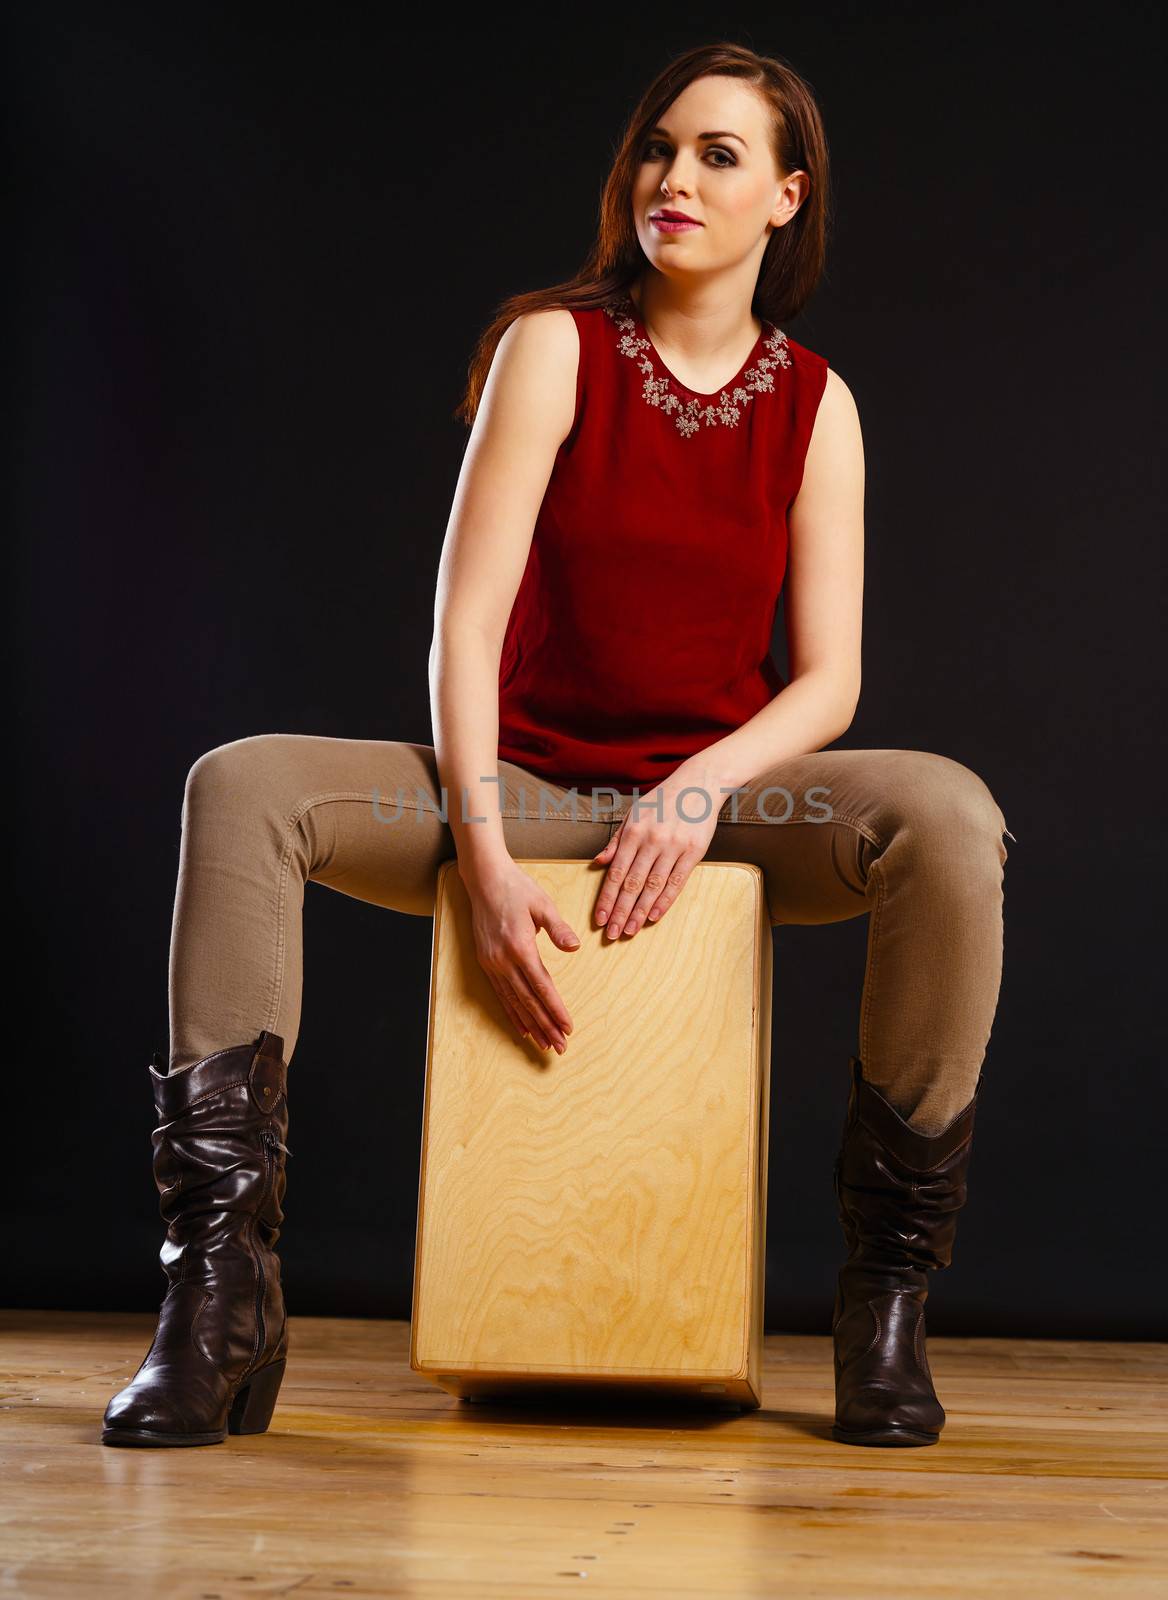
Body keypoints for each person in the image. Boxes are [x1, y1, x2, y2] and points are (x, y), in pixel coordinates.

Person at [101, 40, 1014, 1452]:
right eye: (658, 147)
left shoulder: (813, 401)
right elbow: (463, 628)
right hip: (519, 789)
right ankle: (215, 1299)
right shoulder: (553, 345)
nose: (673, 177)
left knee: (948, 815)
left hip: (716, 809)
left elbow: (826, 681)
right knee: (241, 784)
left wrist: (702, 786)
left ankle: (883, 1300)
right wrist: (478, 847)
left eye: (718, 155)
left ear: (785, 196)